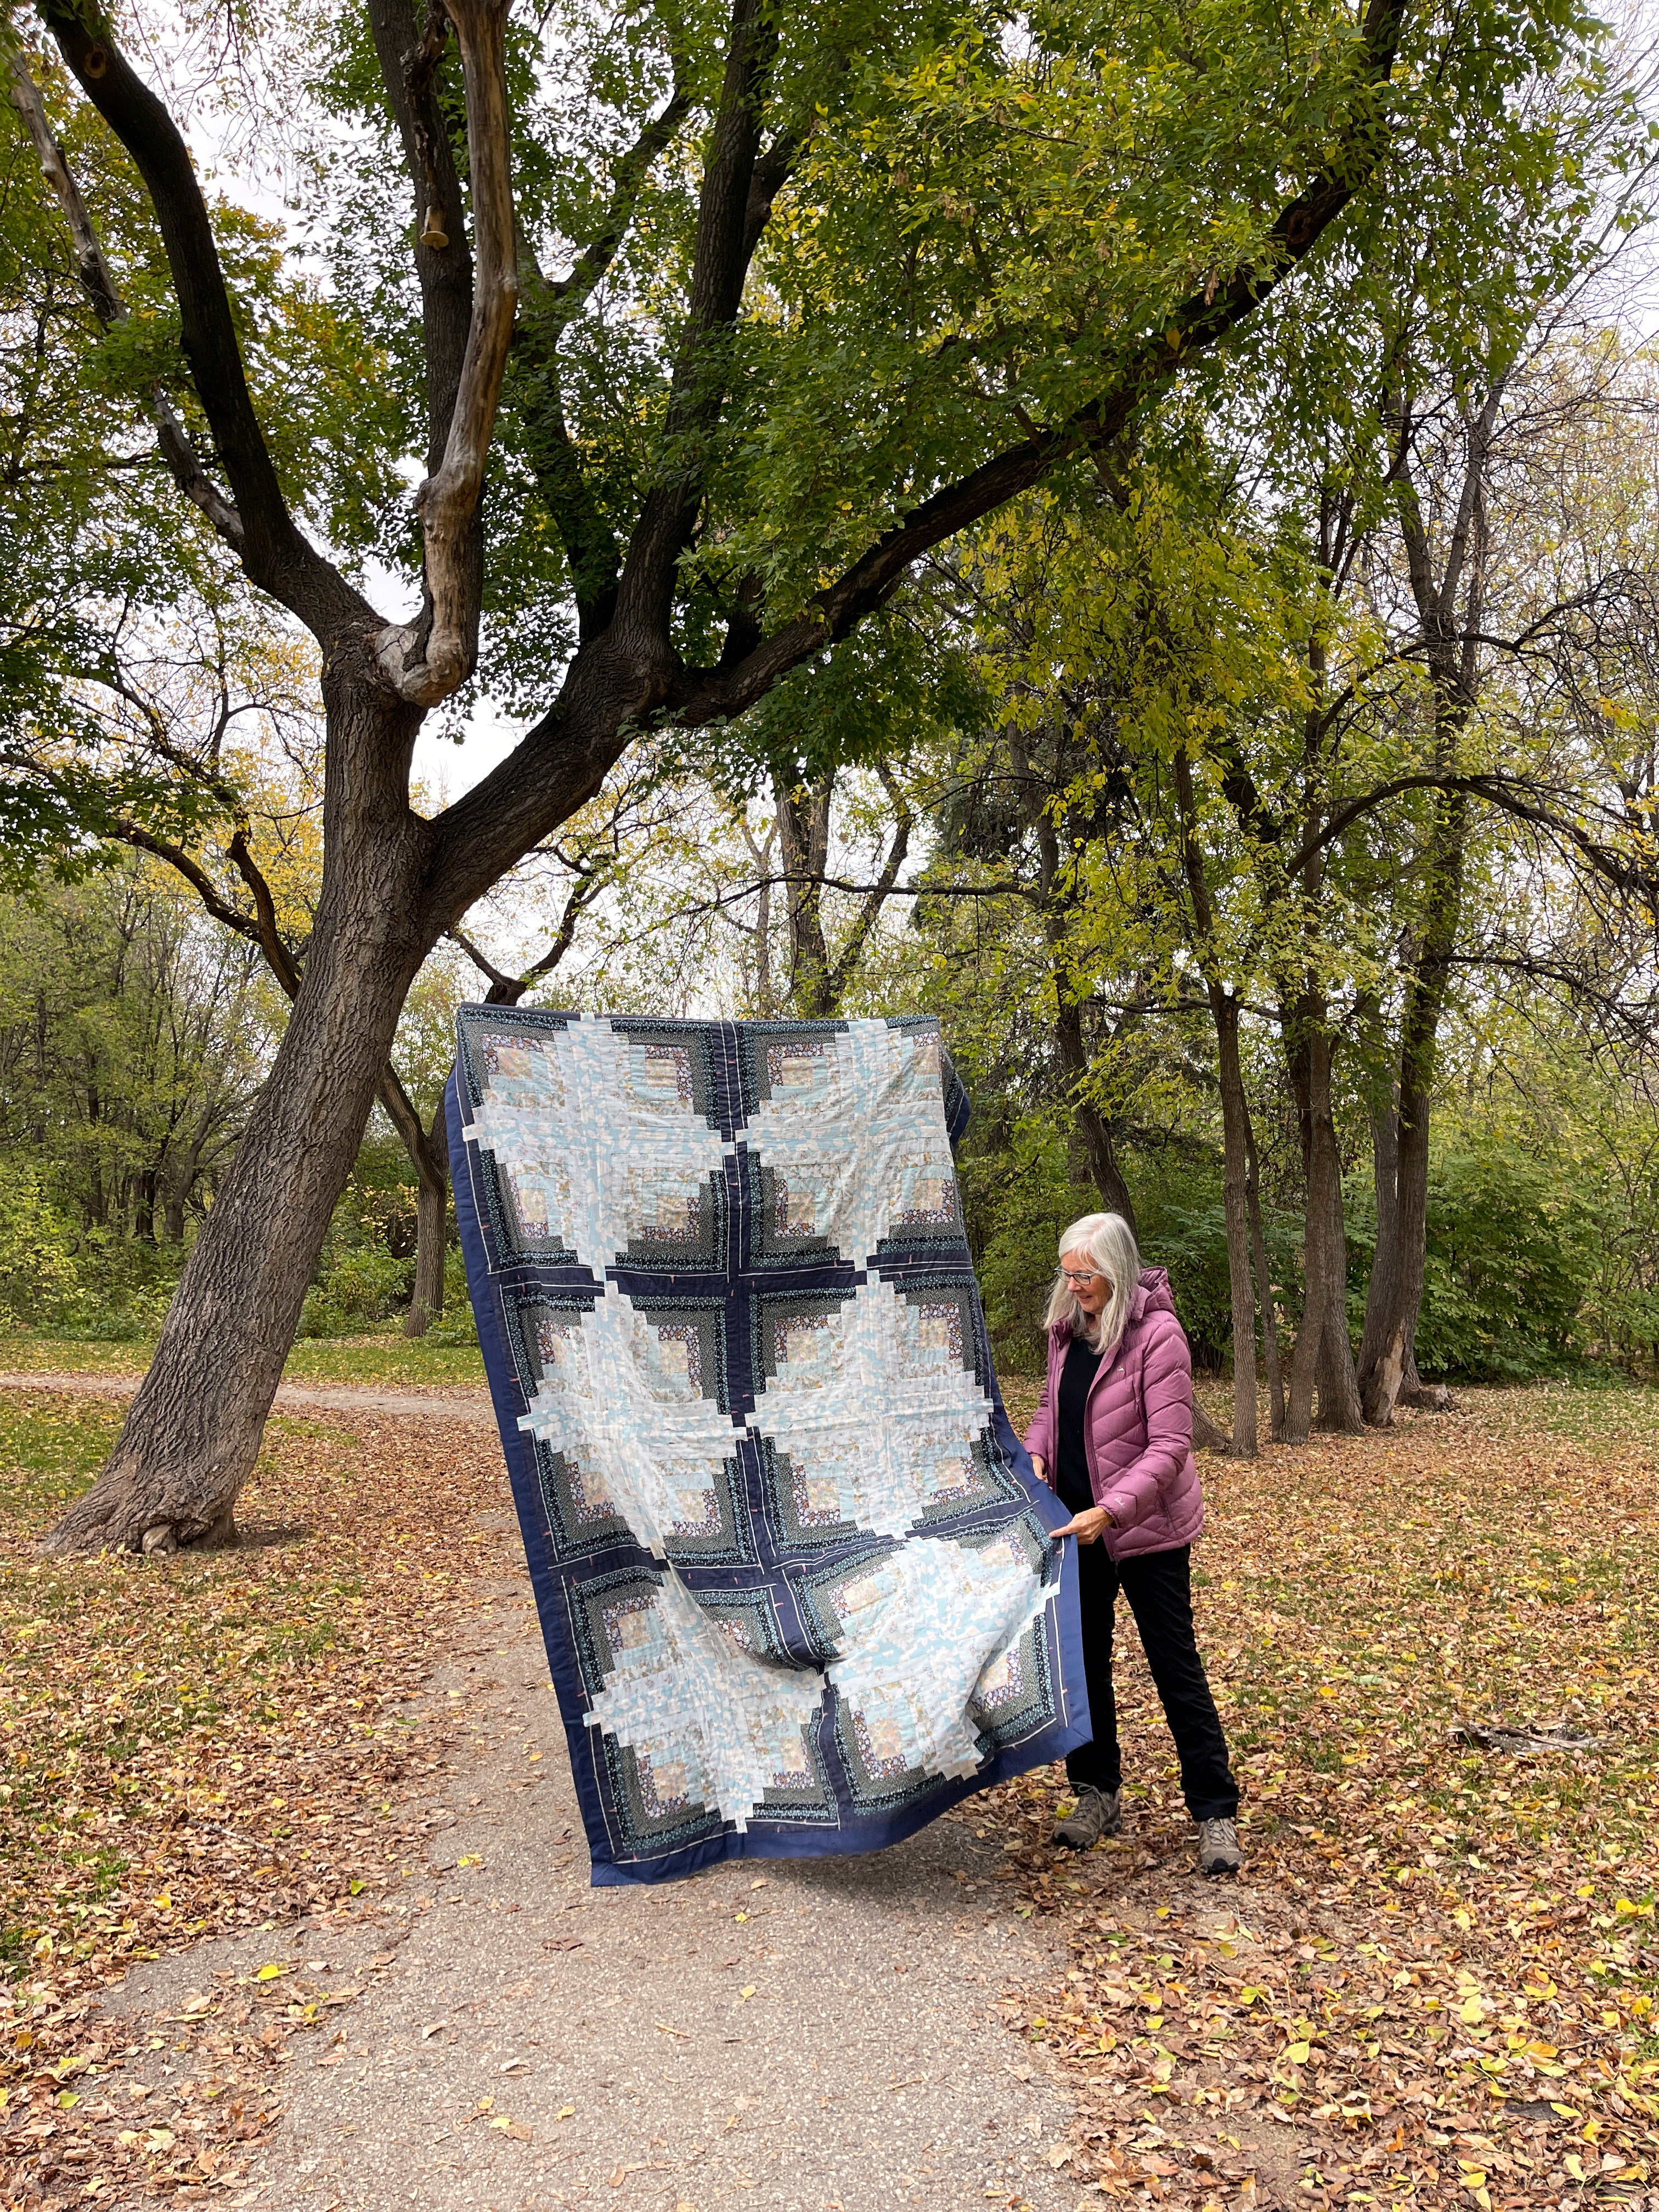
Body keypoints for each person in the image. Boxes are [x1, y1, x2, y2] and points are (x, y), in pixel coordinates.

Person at [1024, 1211, 1242, 1877]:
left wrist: (1110, 1511)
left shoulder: (1159, 1335)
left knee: (1175, 1667)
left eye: (1085, 1274)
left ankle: (1215, 1813)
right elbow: (1049, 1409)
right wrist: (1036, 1454)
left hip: (1146, 1531)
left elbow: (1171, 1447)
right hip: (1075, 1526)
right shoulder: (1067, 1332)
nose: (1075, 1285)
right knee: (1084, 1666)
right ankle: (1097, 1793)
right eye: (1067, 1273)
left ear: (1114, 1270)